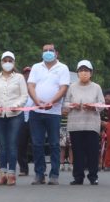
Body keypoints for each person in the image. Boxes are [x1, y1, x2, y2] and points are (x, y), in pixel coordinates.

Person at [27, 43, 70, 185]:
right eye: (45, 50)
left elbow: (63, 88)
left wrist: (52, 101)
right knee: (37, 143)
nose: (48, 52)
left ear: (56, 53)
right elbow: (31, 86)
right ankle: (39, 174)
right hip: (36, 110)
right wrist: (37, 100)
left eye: (50, 50)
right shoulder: (36, 67)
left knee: (54, 144)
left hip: (54, 112)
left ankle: (54, 174)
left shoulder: (62, 68)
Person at [0, 51, 28, 186]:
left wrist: (17, 105)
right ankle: (2, 174)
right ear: (1, 62)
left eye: (10, 60)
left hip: (14, 115)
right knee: (2, 145)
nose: (7, 63)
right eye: (5, 60)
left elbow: (24, 96)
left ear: (14, 63)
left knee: (12, 144)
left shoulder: (19, 78)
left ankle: (11, 174)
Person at [63, 60, 104, 185]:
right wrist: (71, 105)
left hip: (91, 124)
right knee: (77, 151)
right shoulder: (72, 87)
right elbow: (65, 103)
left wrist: (93, 106)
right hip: (75, 124)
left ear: (91, 73)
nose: (84, 73)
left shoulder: (96, 87)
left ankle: (93, 176)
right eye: (81, 70)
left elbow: (102, 104)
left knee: (92, 151)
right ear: (77, 73)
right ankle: (78, 177)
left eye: (86, 70)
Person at [17, 66, 34, 176]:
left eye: (30, 73)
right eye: (26, 73)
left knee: (37, 144)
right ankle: (23, 168)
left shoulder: (37, 88)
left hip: (34, 118)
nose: (27, 75)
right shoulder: (18, 88)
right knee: (20, 145)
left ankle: (40, 169)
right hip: (21, 119)